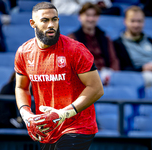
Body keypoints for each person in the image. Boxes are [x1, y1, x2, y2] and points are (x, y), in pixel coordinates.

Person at [14, 2, 104, 150]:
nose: (51, 25)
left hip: (78, 126)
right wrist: (26, 115)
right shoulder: (23, 52)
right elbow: (21, 87)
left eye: (54, 19)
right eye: (45, 20)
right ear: (33, 23)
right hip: (48, 129)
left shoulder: (76, 50)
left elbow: (96, 88)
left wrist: (63, 113)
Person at [113, 6, 152, 86]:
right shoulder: (117, 44)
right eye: (132, 21)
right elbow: (121, 69)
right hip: (136, 78)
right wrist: (142, 69)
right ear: (125, 21)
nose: (136, 25)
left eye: (139, 21)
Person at [68, 2, 119, 71]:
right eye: (87, 15)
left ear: (98, 18)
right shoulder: (72, 39)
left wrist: (112, 76)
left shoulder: (106, 38)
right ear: (80, 17)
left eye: (94, 15)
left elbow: (114, 60)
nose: (91, 19)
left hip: (105, 76)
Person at [52, 0, 120, 16]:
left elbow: (107, 3)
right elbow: (59, 7)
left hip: (99, 12)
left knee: (116, 9)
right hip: (75, 14)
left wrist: (104, 3)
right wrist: (84, 9)